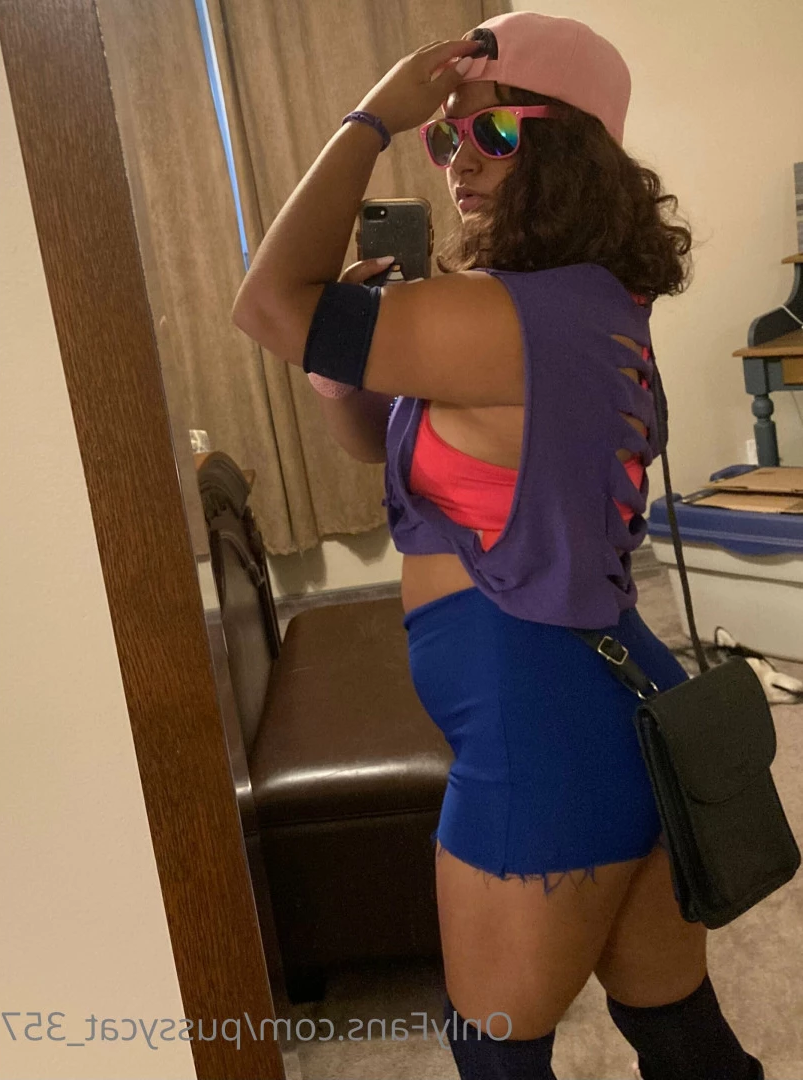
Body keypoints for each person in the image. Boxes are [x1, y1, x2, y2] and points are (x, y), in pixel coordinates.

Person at [231, 12, 765, 1079]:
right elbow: (377, 448)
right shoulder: (578, 305)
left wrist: (368, 122)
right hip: (611, 710)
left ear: (574, 149)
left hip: (542, 740)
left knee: (494, 1058)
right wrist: (342, 376)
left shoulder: (505, 318)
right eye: (442, 136)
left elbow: (269, 302)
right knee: (679, 1036)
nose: (458, 160)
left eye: (495, 130)